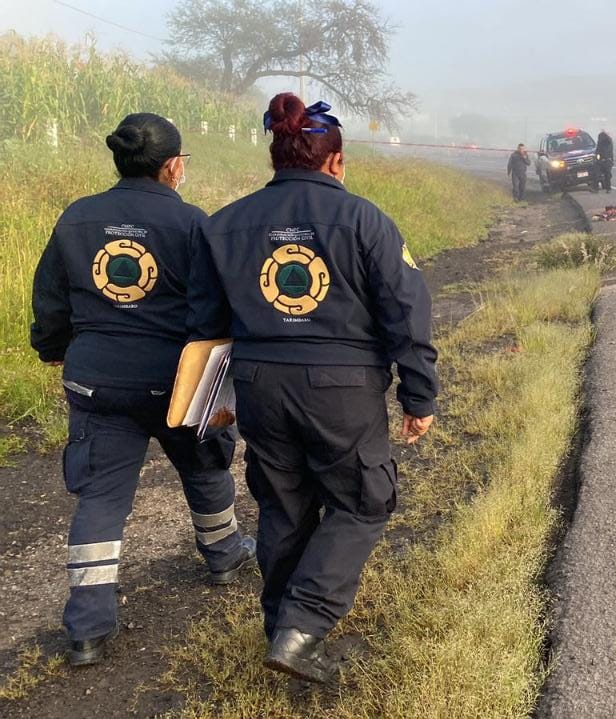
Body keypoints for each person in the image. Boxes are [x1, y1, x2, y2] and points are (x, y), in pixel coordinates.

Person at [189, 93, 439, 684]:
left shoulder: (224, 224)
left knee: (283, 504)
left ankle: (280, 627)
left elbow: (204, 323)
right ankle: (302, 628)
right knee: (363, 502)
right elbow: (408, 310)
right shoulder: (365, 219)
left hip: (259, 384)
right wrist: (418, 395)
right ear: (336, 161)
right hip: (342, 389)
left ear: (277, 156)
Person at [29, 113, 255, 667]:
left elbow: (51, 300)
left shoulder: (77, 218)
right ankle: (224, 555)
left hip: (97, 381)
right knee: (204, 464)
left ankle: (86, 628)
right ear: (173, 167)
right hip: (176, 381)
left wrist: (53, 347)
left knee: (101, 496)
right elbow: (214, 306)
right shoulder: (194, 223)